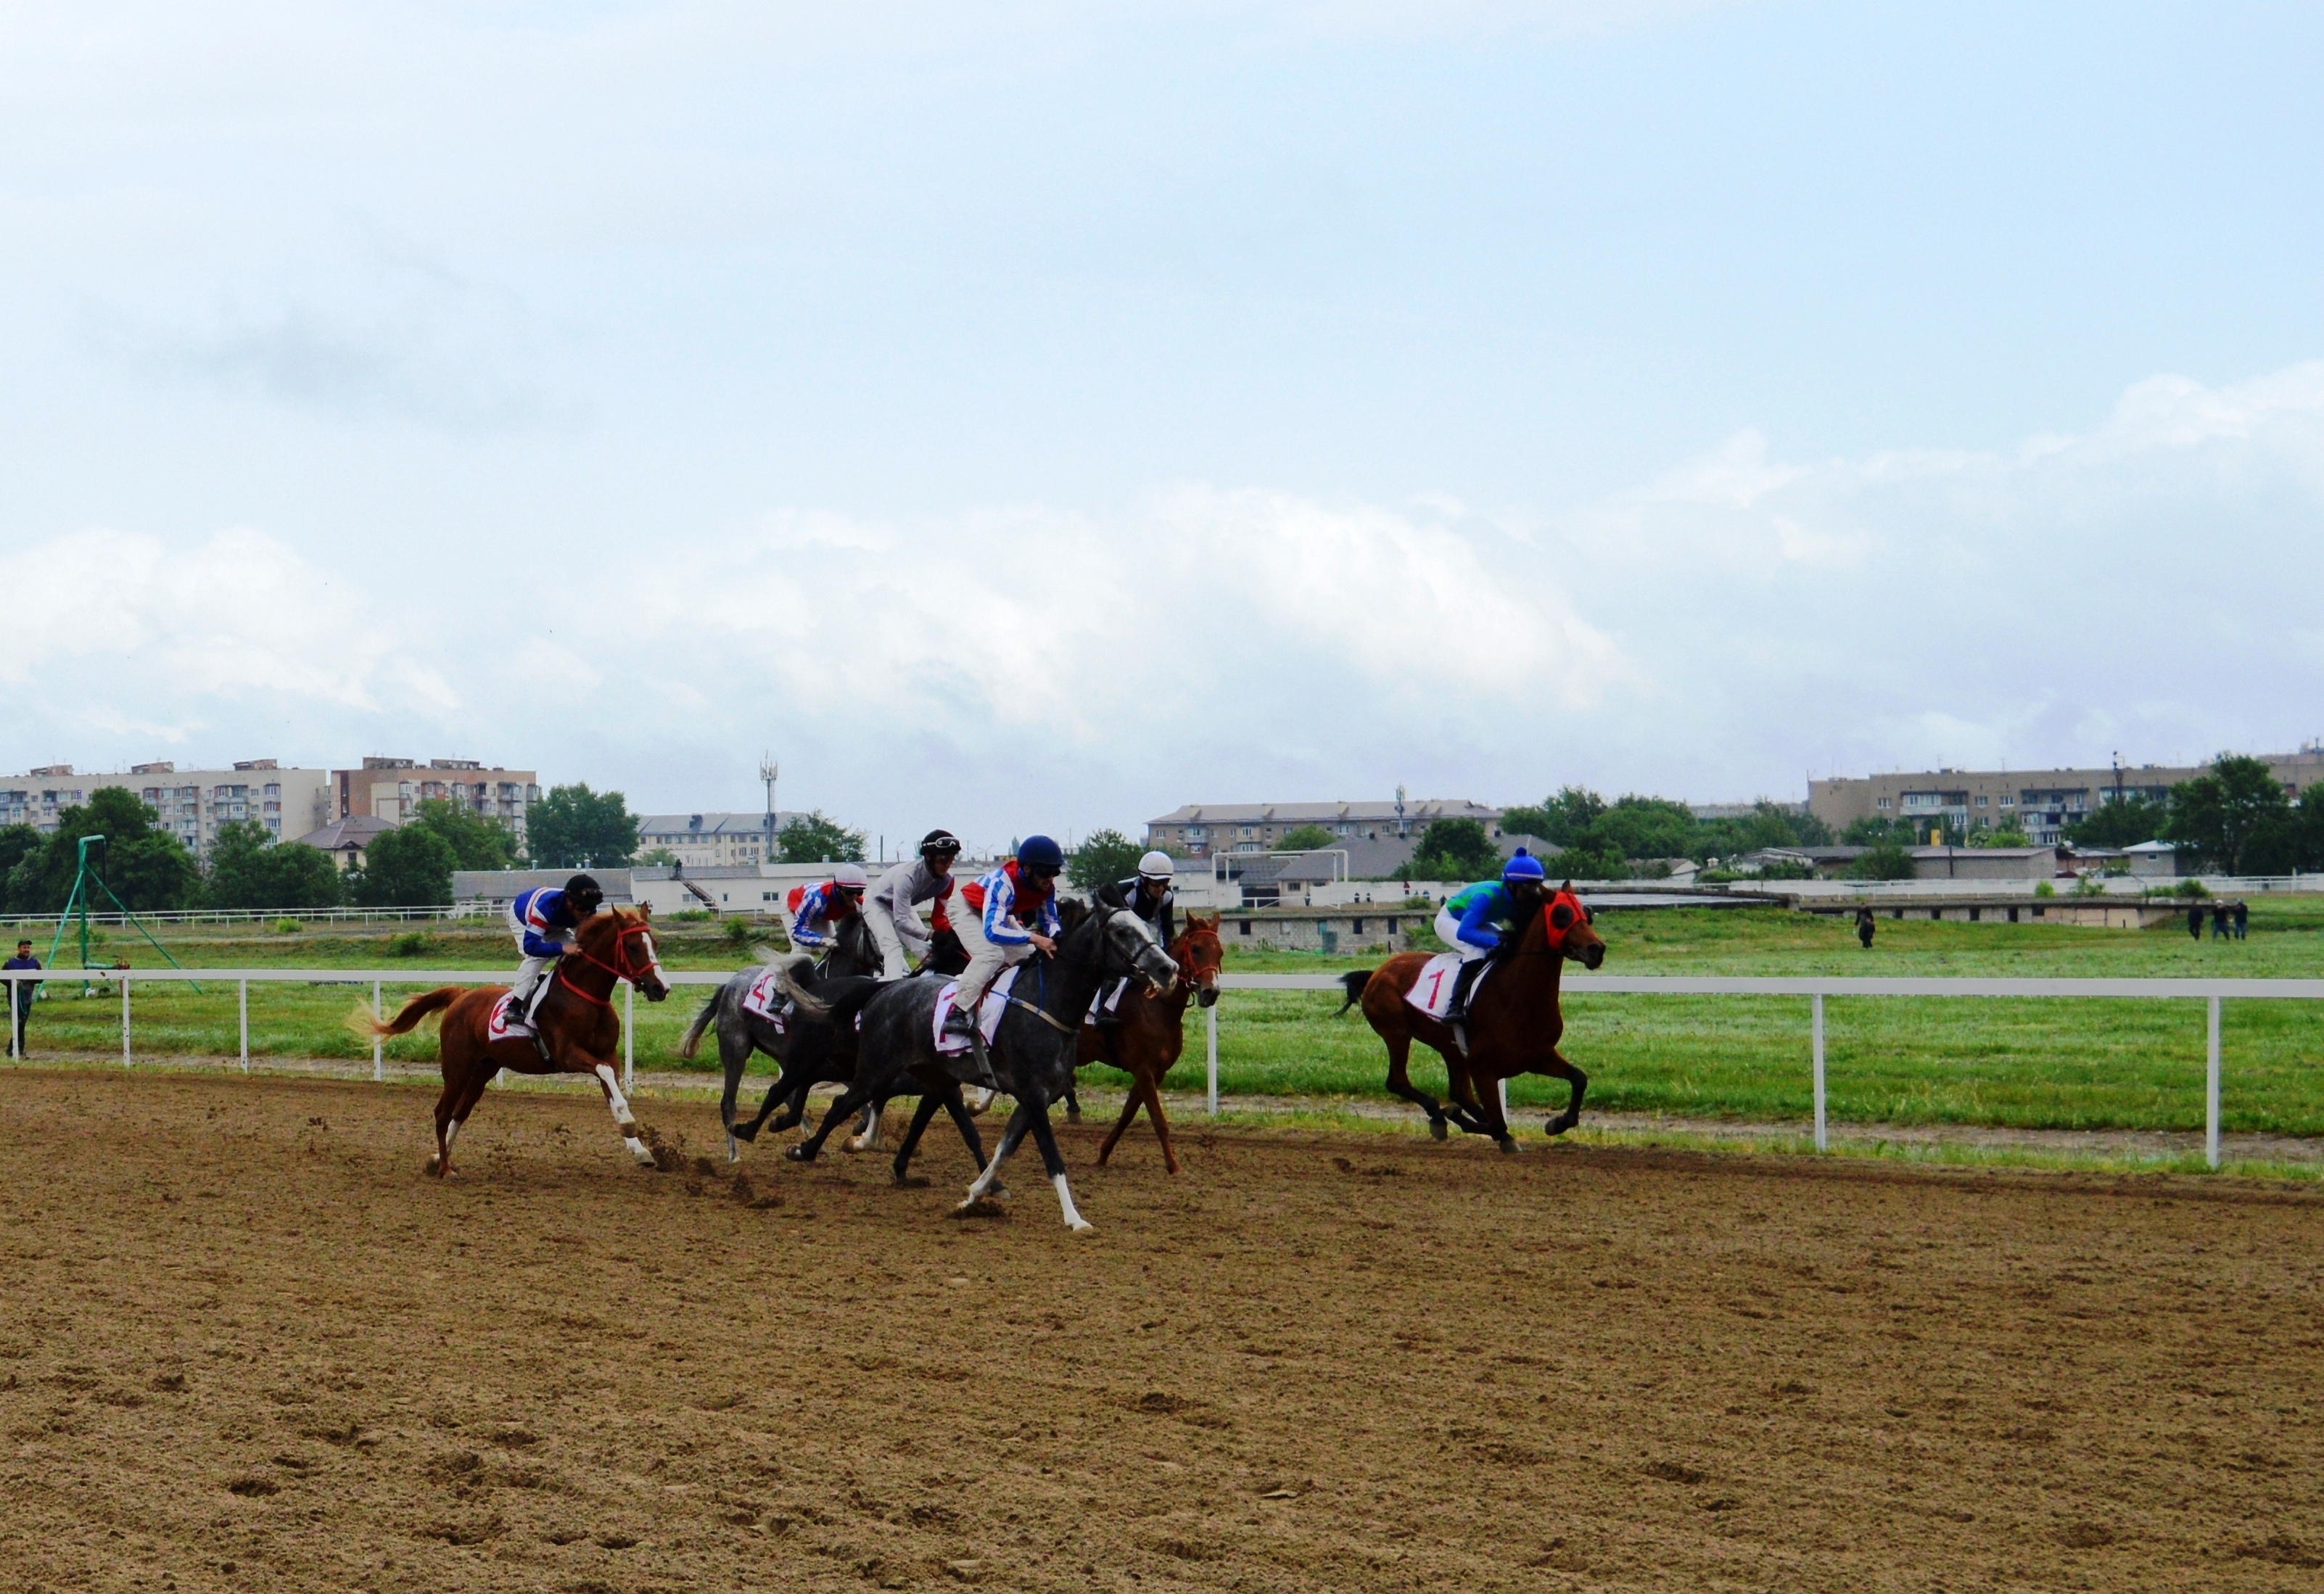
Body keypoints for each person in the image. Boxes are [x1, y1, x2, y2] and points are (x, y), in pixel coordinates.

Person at [940, 835, 1064, 1069]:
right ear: (1027, 869)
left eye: (1054, 873)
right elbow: (992, 932)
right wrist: (1036, 938)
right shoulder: (1004, 883)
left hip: (998, 913)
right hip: (966, 909)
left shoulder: (1046, 887)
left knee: (1029, 958)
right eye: (1045, 873)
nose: (1050, 879)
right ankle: (957, 1011)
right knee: (991, 956)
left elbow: (1051, 921)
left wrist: (1057, 939)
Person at [1435, 848, 1552, 1026]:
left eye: (1536, 885)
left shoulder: (1517, 897)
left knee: (1510, 945)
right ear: (1512, 885)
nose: (1533, 891)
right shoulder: (1485, 896)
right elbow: (1464, 932)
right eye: (1528, 886)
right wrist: (1494, 942)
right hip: (1450, 920)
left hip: (1478, 922)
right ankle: (1455, 1008)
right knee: (1476, 950)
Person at [507, 875, 606, 1061]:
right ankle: (514, 1005)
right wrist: (561, 948)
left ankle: (553, 980)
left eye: (590, 908)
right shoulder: (545, 907)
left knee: (578, 951)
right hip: (522, 918)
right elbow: (531, 946)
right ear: (569, 901)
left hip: (555, 925)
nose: (586, 913)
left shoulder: (587, 907)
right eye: (582, 908)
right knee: (536, 957)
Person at [1091, 851, 1177, 1028]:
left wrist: (1167, 953)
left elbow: (1167, 928)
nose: (1161, 888)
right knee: (1118, 968)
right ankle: (1100, 1012)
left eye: (1165, 882)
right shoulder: (1128, 893)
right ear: (1144, 880)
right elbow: (1121, 928)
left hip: (1140, 931)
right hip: (1113, 932)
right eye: (1157, 883)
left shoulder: (1167, 896)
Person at [865, 831, 962, 980]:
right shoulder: (908, 877)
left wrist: (950, 933)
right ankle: (891, 991)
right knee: (893, 948)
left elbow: (937, 918)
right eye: (943, 859)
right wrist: (931, 934)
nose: (947, 865)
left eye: (951, 859)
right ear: (929, 856)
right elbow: (901, 921)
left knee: (926, 950)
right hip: (877, 904)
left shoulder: (948, 881)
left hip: (902, 907)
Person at [786, 862, 869, 959]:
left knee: (834, 951)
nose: (854, 896)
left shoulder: (860, 903)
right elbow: (796, 932)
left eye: (859, 891)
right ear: (838, 889)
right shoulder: (817, 900)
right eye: (849, 892)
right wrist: (822, 941)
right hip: (796, 907)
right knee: (802, 952)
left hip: (821, 914)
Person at [4, 938, 41, 1059]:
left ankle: (12, 1049)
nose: (26, 950)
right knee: (20, 1022)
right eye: (24, 947)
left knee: (21, 1022)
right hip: (14, 997)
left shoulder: (35, 962)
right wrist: (13, 983)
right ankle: (19, 1050)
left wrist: (31, 978)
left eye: (28, 948)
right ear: (19, 949)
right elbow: (2, 977)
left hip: (27, 997)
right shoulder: (10, 963)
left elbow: (41, 978)